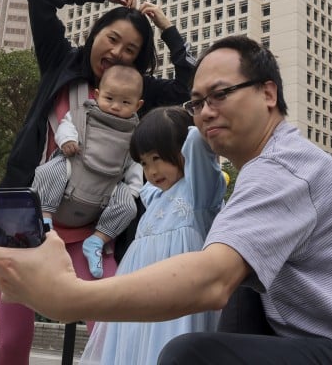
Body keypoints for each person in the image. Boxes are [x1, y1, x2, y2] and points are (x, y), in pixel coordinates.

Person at [0, 35, 332, 365]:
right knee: (243, 302)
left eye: (220, 94)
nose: (205, 112)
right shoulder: (262, 171)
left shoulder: (283, 167)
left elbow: (211, 280)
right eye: (197, 102)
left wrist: (68, 297)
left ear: (268, 93)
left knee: (191, 355)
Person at [0, 0, 195, 365]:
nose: (118, 52)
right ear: (96, 32)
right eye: (112, 39)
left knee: (108, 329)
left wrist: (168, 30)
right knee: (12, 339)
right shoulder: (61, 62)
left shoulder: (136, 92)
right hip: (26, 217)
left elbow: (188, 85)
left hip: (94, 230)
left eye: (130, 50)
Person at [80, 107, 225, 365]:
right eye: (145, 162)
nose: (152, 170)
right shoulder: (153, 195)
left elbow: (197, 141)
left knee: (169, 349)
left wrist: (192, 117)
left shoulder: (199, 192)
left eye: (158, 158)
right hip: (141, 297)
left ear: (182, 152)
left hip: (178, 297)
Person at [31, 64, 145, 278]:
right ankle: (44, 220)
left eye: (125, 102)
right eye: (109, 98)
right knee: (48, 170)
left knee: (129, 206)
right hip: (70, 177)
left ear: (138, 105)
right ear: (97, 94)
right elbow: (66, 125)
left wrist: (132, 190)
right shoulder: (82, 114)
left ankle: (97, 240)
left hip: (105, 191)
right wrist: (67, 140)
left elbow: (135, 164)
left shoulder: (136, 135)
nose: (115, 106)